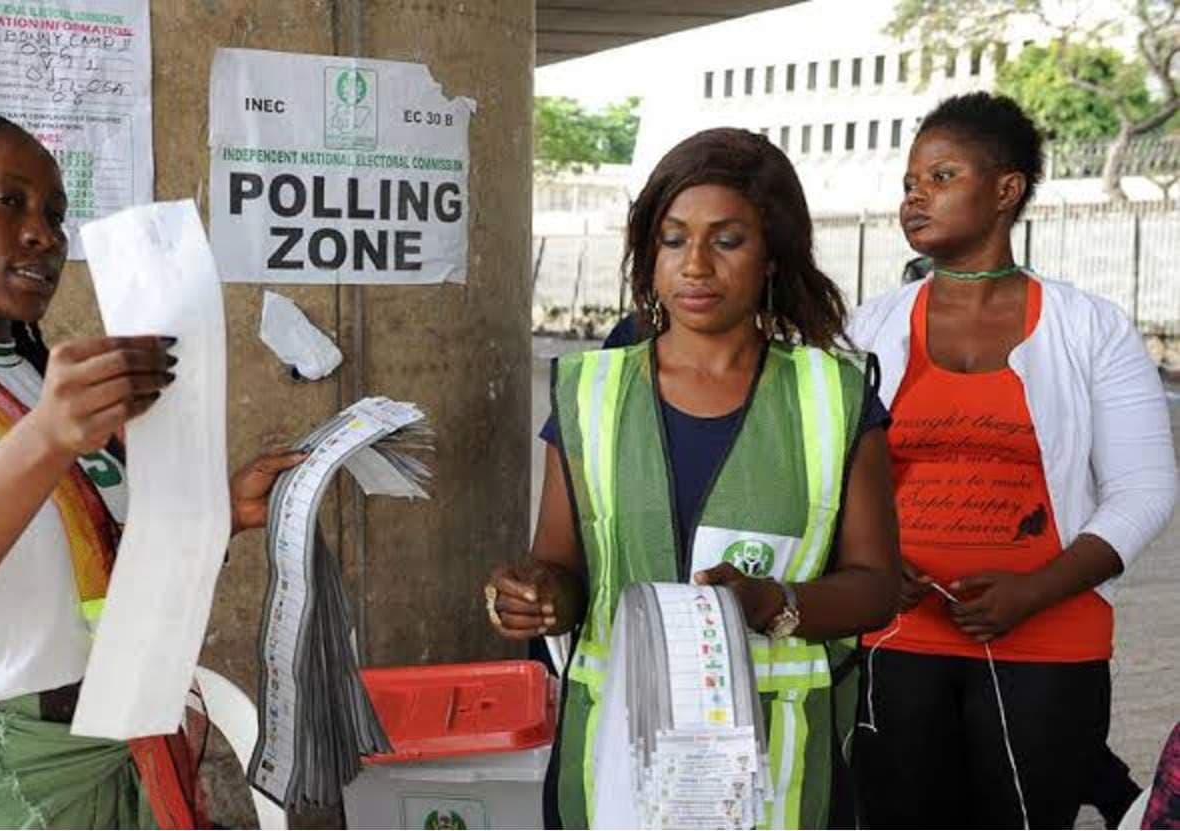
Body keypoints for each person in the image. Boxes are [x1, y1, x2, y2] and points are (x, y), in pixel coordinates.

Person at [0, 111, 303, 828]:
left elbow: (84, 577)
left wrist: (221, 515)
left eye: (56, 214)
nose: (44, 233)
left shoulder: (41, 380)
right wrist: (45, 439)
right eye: (8, 202)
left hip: (105, 748)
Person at [486, 128, 901, 829]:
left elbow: (877, 587)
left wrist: (774, 602)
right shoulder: (591, 390)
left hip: (776, 775)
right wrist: (536, 598)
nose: (696, 265)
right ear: (649, 256)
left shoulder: (833, 396)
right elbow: (561, 563)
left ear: (772, 253)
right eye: (673, 240)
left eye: (727, 240)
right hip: (615, 764)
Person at [848, 93, 1176, 829]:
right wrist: (865, 560)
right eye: (909, 182)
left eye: (941, 176)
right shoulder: (867, 328)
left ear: (1005, 189)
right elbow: (835, 477)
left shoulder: (1091, 327)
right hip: (895, 635)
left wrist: (1035, 589)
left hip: (1050, 640)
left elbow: (1145, 487)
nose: (915, 197)